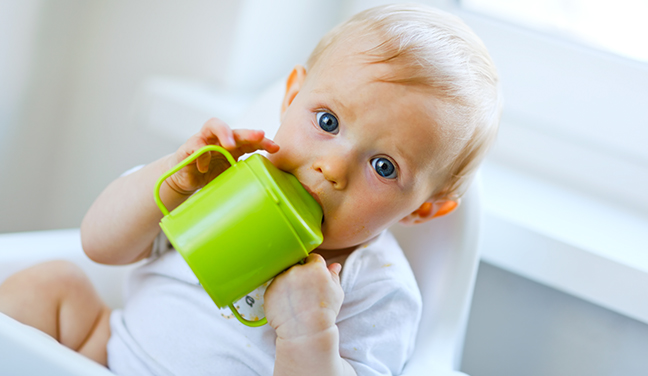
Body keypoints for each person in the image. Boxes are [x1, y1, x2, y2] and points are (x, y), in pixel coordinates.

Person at [0, 4, 501, 375]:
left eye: (384, 167)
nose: (331, 168)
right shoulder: (225, 184)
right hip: (107, 354)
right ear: (291, 97)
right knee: (52, 285)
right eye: (327, 121)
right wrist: (171, 183)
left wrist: (309, 332)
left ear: (424, 210)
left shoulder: (377, 289)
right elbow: (99, 246)